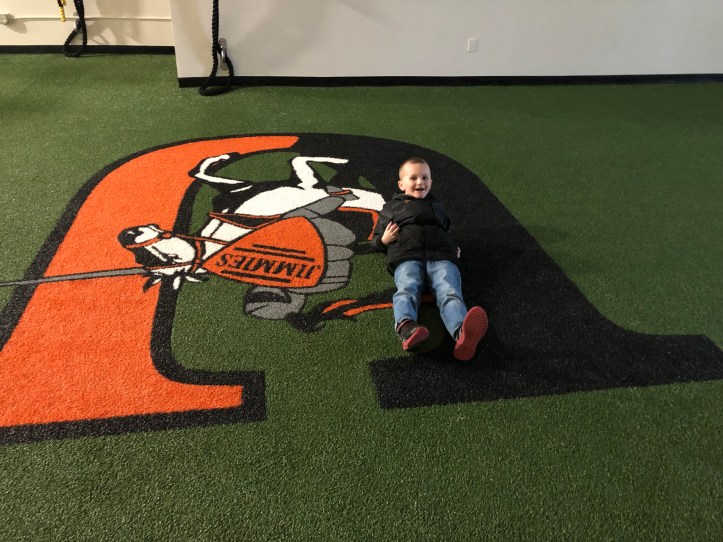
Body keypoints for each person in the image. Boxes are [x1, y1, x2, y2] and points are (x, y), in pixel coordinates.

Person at [371, 157, 488, 360]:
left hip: (441, 255)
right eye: (413, 178)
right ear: (401, 184)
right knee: (407, 288)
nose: (420, 182)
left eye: (425, 178)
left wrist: (453, 249)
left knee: (449, 290)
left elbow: (447, 231)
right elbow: (374, 240)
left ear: (431, 182)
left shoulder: (437, 206)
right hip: (407, 255)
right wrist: (384, 240)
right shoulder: (392, 207)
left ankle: (462, 333)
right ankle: (407, 328)